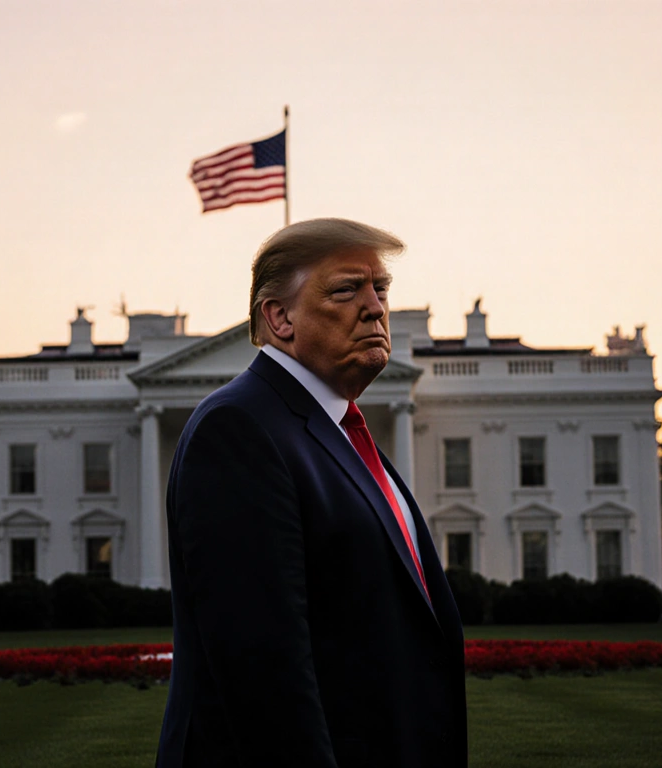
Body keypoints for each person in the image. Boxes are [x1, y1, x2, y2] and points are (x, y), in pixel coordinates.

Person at [155, 219, 467, 768]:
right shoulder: (240, 429)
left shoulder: (337, 433)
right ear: (279, 317)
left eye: (381, 289)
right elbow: (265, 678)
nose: (374, 307)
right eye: (346, 289)